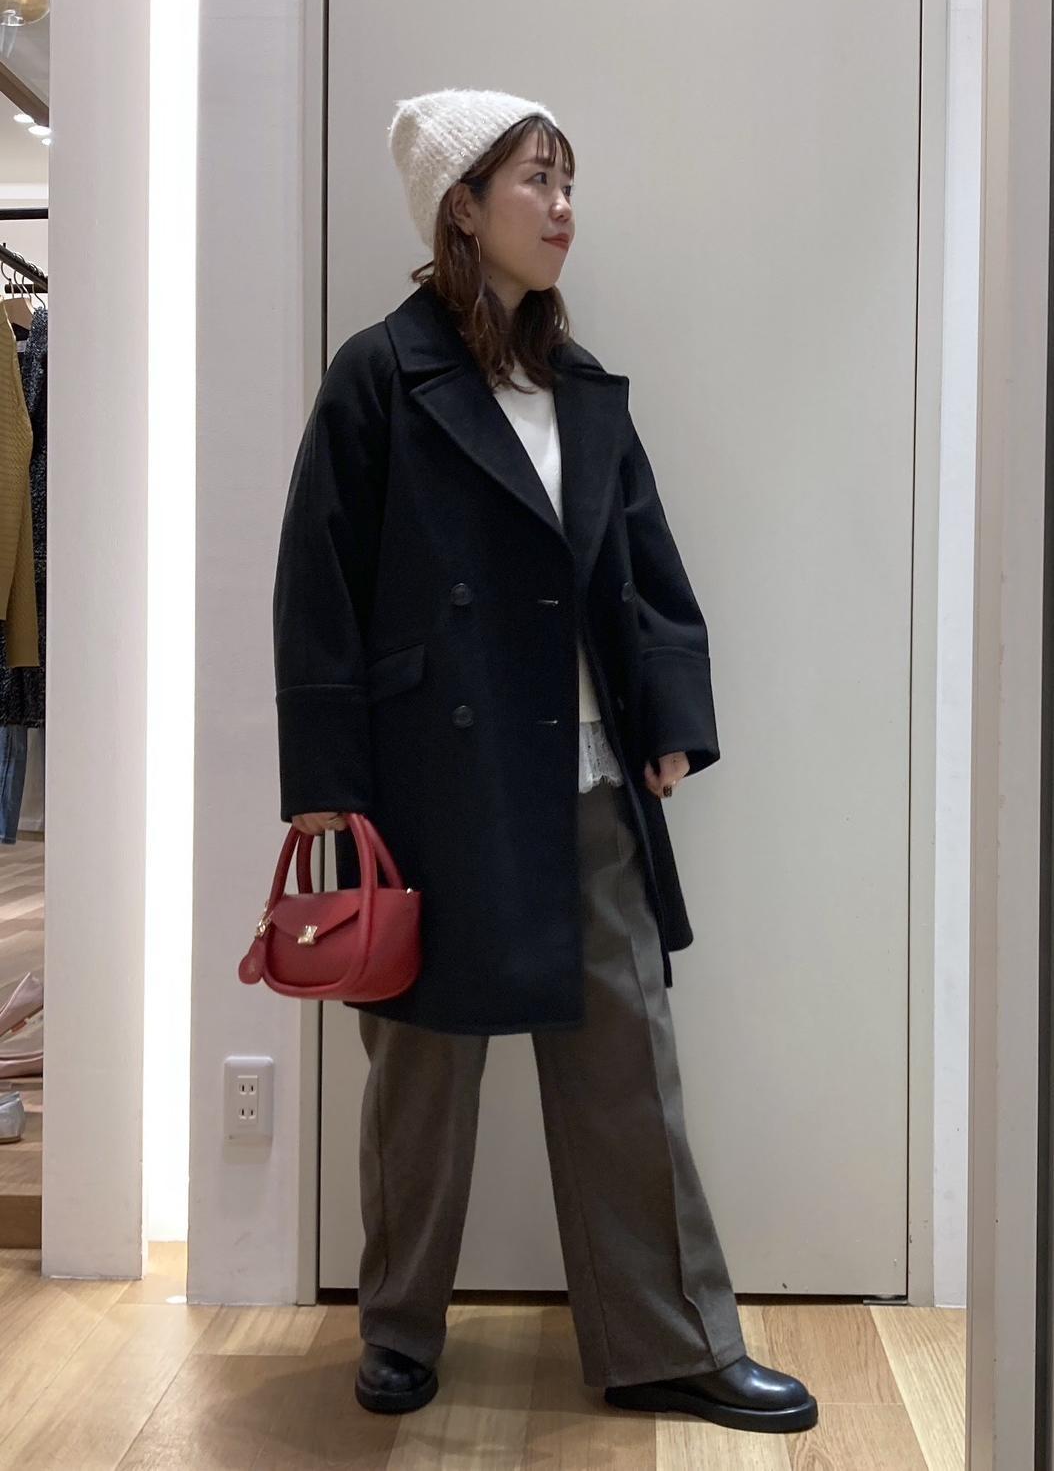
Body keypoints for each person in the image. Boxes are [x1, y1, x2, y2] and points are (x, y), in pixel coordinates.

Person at [272, 86, 818, 1436]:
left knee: (629, 1066)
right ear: (462, 207)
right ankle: (400, 1329)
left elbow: (642, 561)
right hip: (436, 787)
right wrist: (330, 785)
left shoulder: (580, 384)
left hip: (586, 778)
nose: (564, 208)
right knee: (422, 1079)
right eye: (537, 180)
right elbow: (316, 583)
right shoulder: (379, 376)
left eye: (569, 182)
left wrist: (668, 717)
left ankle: (671, 1343)